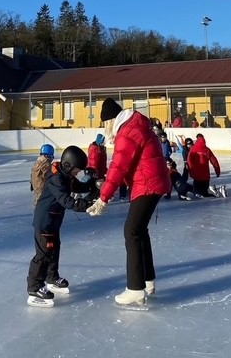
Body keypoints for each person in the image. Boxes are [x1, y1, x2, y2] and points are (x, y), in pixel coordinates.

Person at [87, 98, 171, 309]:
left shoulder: (127, 132)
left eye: (105, 123)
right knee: (139, 231)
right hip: (153, 181)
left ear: (110, 120)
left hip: (148, 183)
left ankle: (135, 289)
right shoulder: (135, 125)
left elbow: (118, 166)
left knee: (131, 231)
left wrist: (103, 198)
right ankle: (148, 281)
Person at [27, 145, 93, 308]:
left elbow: (78, 187)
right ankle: (34, 288)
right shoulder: (56, 179)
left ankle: (51, 278)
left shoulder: (65, 175)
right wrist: (86, 206)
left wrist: (93, 183)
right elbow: (66, 200)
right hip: (44, 222)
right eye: (77, 170)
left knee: (54, 249)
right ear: (68, 166)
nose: (77, 173)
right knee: (43, 254)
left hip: (54, 221)